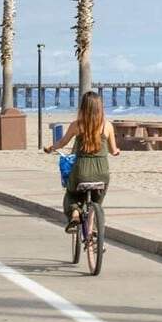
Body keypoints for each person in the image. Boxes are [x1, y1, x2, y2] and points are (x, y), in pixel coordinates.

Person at [44, 91, 120, 229]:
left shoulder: (76, 125)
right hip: (101, 172)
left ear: (83, 107)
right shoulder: (107, 126)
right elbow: (113, 150)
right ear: (100, 107)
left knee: (71, 194)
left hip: (81, 171)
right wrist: (116, 152)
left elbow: (62, 143)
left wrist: (50, 148)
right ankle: (91, 230)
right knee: (98, 199)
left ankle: (74, 212)